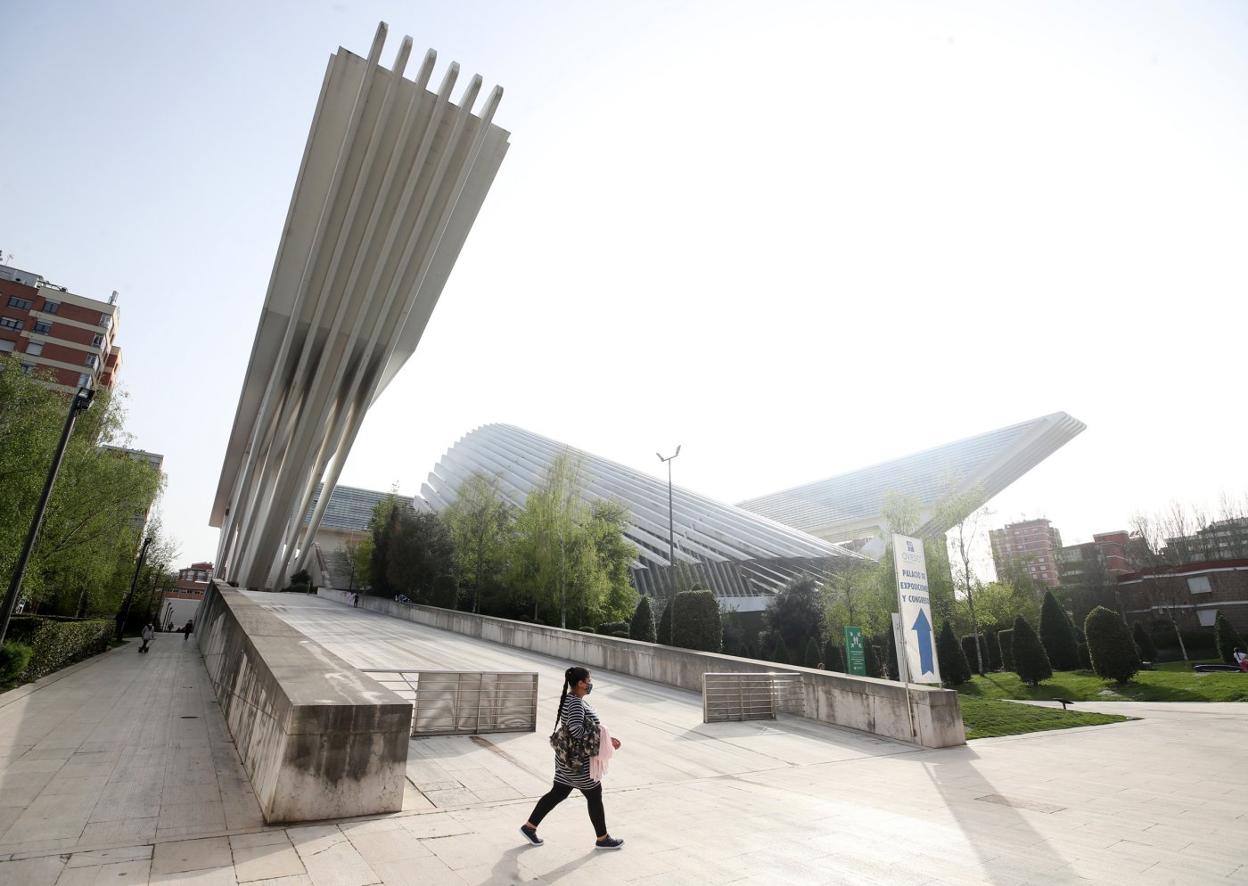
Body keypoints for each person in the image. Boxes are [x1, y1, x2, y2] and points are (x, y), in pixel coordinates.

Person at [520, 667, 623, 850]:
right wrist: (602, 738)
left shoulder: (572, 700)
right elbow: (576, 730)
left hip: (566, 760)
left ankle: (529, 827)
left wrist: (606, 738)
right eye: (588, 680)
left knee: (558, 792)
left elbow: (583, 728)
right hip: (578, 763)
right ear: (581, 683)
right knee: (594, 795)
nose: (590, 684)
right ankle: (602, 839)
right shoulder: (575, 703)